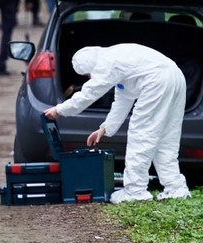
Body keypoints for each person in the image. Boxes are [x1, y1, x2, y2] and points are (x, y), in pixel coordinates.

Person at [43, 44, 191, 203]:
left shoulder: (106, 63)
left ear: (89, 66)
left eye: (87, 73)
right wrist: (105, 128)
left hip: (157, 81)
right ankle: (176, 188)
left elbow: (89, 94)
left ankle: (135, 191)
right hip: (175, 76)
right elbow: (122, 100)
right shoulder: (119, 58)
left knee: (141, 135)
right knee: (166, 138)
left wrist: (59, 110)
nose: (89, 77)